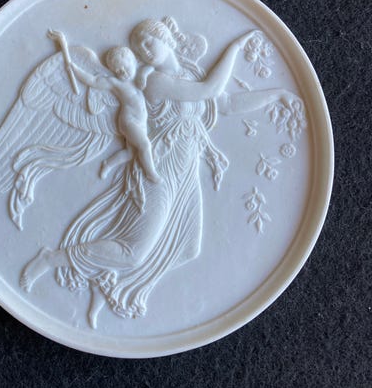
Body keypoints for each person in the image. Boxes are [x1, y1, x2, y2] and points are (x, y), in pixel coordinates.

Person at [20, 18, 299, 328]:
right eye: (137, 46)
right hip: (159, 171)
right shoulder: (155, 81)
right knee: (133, 253)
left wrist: (276, 94)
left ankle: (110, 279)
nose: (143, 49)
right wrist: (234, 47)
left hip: (186, 175)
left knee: (188, 249)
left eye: (147, 41)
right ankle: (51, 259)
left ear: (167, 38)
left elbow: (228, 103)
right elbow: (210, 89)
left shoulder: (190, 76)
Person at [70, 46, 159, 182]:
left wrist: (144, 75)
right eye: (118, 71)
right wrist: (74, 69)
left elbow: (152, 66)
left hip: (141, 122)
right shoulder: (115, 83)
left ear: (133, 61)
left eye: (125, 67)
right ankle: (151, 173)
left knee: (130, 153)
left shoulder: (139, 76)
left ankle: (108, 164)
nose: (123, 72)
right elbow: (93, 81)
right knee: (145, 145)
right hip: (129, 121)